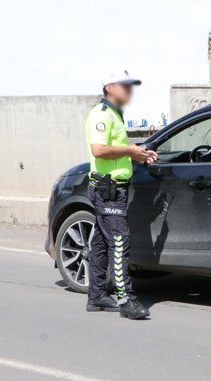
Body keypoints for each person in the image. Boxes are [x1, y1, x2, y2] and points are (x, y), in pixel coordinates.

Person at [84, 69, 157, 319]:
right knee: (118, 241)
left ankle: (96, 297)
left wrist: (140, 154)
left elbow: (117, 151)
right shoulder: (101, 115)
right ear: (109, 87)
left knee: (102, 243)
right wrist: (130, 150)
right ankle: (126, 301)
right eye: (124, 85)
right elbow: (99, 149)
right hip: (108, 189)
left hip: (114, 188)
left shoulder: (115, 114)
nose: (129, 90)